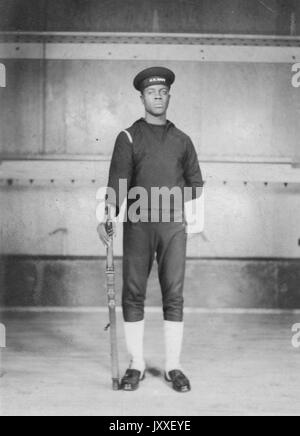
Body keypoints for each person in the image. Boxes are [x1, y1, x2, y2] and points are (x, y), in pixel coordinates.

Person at [97, 66, 204, 392]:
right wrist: (107, 218)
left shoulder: (182, 140)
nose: (157, 96)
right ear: (142, 97)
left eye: (162, 91)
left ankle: (173, 366)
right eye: (150, 92)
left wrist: (174, 208)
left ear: (168, 95)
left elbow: (196, 183)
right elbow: (117, 183)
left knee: (174, 295)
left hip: (172, 227)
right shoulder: (128, 137)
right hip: (138, 226)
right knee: (133, 294)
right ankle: (136, 365)